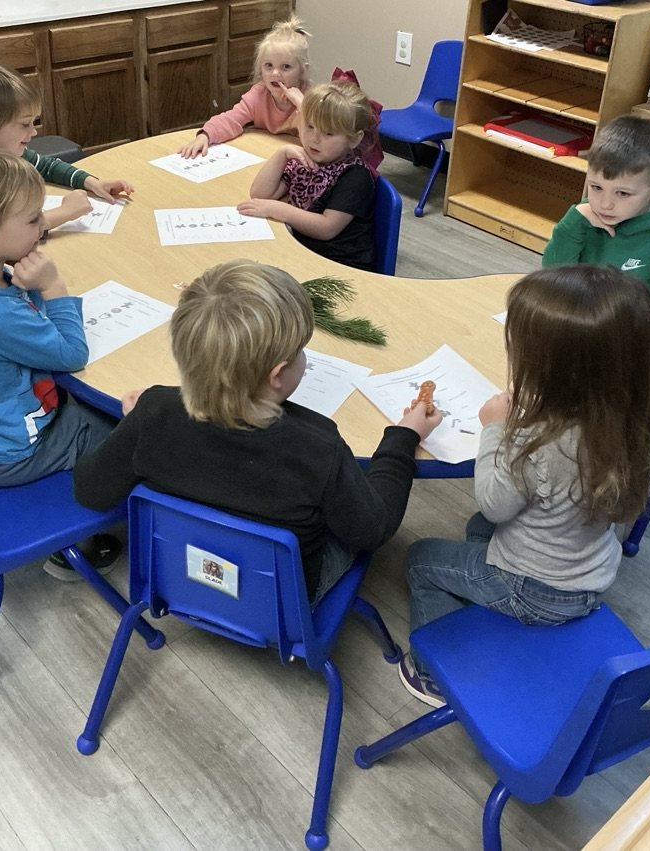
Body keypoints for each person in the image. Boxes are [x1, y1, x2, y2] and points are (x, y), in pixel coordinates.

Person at [73, 258, 443, 604]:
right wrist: (402, 438)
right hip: (281, 601)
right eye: (301, 351)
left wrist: (136, 423)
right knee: (343, 519)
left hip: (177, 576)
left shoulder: (154, 412)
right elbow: (373, 529)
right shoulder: (318, 445)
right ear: (278, 375)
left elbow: (90, 490)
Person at [399, 265, 650, 707]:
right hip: (589, 571)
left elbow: (494, 501)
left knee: (421, 559)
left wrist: (495, 429)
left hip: (536, 590)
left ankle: (433, 674)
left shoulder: (539, 441)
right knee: (477, 527)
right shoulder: (630, 419)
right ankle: (484, 603)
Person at [0, 147, 121, 579]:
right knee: (132, 430)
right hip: (11, 455)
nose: (43, 225)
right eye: (34, 219)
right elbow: (72, 353)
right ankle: (80, 550)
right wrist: (52, 286)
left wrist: (22, 283)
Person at [542, 114, 650, 352]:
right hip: (588, 332)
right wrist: (572, 224)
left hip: (639, 346)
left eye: (622, 193)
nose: (605, 204)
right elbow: (554, 278)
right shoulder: (586, 218)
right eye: (596, 187)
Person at [0, 59, 134, 231]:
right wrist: (65, 212)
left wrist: (91, 183)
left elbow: (46, 167)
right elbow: (1, 235)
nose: (34, 132)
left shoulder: (5, 151)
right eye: (25, 124)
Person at [237, 81, 379, 271]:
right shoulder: (307, 159)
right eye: (310, 126)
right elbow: (261, 194)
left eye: (328, 133)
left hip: (337, 264)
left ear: (354, 139)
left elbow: (327, 228)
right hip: (301, 251)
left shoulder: (355, 176)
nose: (315, 138)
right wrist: (282, 154)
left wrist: (277, 209)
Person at [177, 15, 311, 159]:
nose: (275, 73)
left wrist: (302, 105)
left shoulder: (311, 97)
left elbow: (318, 140)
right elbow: (231, 120)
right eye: (268, 65)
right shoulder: (258, 95)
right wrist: (205, 136)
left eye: (286, 66)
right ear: (260, 69)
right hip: (264, 157)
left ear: (302, 71)